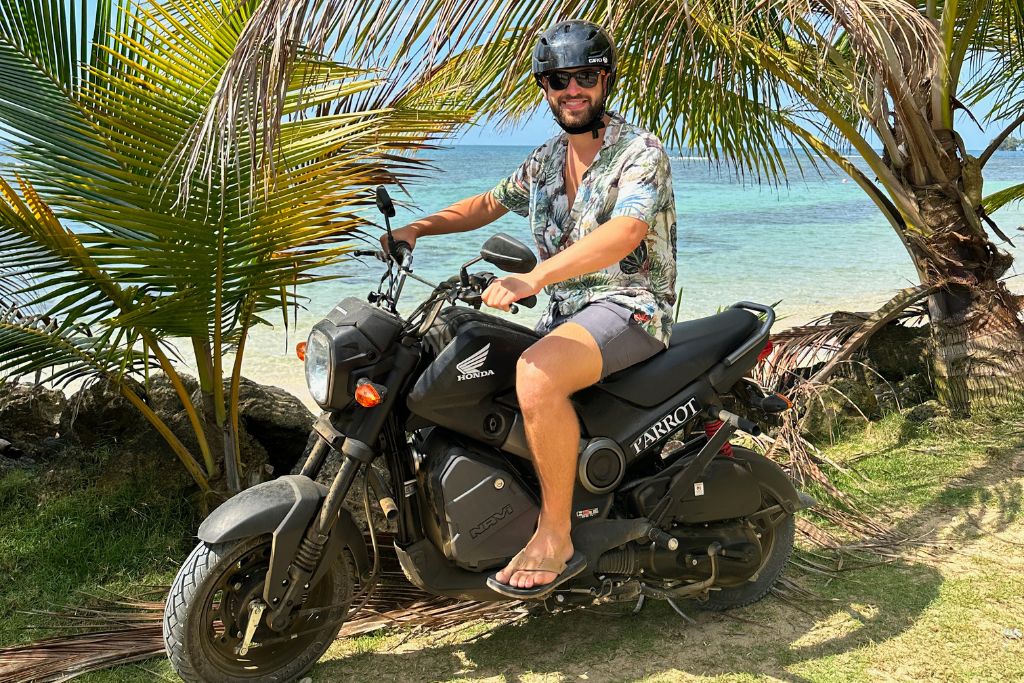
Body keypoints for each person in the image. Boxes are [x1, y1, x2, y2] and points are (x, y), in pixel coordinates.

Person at [384, 19, 677, 599]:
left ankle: (555, 532)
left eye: (585, 77)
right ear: (545, 89)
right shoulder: (545, 161)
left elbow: (625, 232)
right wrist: (418, 228)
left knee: (534, 374)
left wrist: (534, 276)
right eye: (558, 80)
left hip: (632, 306)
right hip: (565, 318)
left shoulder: (639, 152)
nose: (572, 90)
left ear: (606, 81)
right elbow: (487, 204)